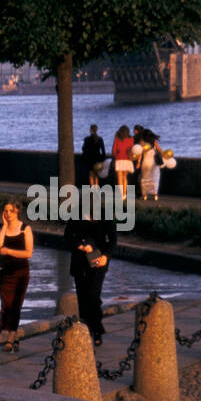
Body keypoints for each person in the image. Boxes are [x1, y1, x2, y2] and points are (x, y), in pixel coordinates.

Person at [63, 204, 116, 346]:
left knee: (93, 294)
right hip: (80, 262)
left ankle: (97, 329)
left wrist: (106, 256)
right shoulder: (76, 214)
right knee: (82, 296)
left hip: (98, 261)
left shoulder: (106, 215)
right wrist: (80, 246)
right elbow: (67, 237)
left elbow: (112, 240)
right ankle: (88, 328)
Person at [0, 199, 34, 350]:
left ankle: (10, 339)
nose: (8, 213)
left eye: (11, 210)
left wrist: (9, 251)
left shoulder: (25, 229)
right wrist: (4, 226)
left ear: (17, 211)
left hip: (21, 273)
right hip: (4, 272)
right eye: (5, 210)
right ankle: (13, 336)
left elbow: (29, 253)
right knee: (6, 305)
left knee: (16, 305)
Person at [137, 129, 164, 201]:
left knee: (145, 178)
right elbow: (159, 149)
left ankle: (145, 195)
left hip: (145, 162)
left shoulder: (142, 142)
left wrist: (138, 163)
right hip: (154, 162)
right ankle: (155, 195)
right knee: (155, 177)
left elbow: (140, 154)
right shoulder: (154, 141)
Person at [111, 125, 134, 201]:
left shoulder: (117, 138)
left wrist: (116, 156)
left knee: (119, 178)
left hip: (119, 159)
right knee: (125, 178)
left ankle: (120, 194)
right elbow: (132, 149)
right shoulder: (131, 139)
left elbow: (114, 150)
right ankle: (124, 194)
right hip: (127, 160)